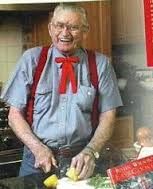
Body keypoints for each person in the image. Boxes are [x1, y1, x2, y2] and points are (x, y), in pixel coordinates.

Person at [0, 3, 122, 180]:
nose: (65, 33)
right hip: (37, 160)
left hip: (81, 161)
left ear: (85, 31)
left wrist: (90, 151)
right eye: (59, 25)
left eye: (73, 27)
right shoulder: (31, 60)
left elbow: (108, 115)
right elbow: (14, 115)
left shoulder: (101, 65)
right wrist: (38, 148)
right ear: (51, 28)